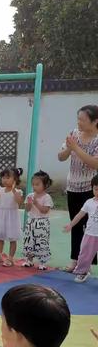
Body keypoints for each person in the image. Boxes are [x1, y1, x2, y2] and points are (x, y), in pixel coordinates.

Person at [58, 105, 98, 272]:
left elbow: (94, 163)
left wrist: (76, 148)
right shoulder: (74, 134)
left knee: (92, 226)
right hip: (73, 186)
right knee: (76, 225)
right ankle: (75, 260)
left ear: (95, 121)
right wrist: (69, 147)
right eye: (78, 119)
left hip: (91, 189)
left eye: (82, 119)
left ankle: (87, 262)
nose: (79, 122)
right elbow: (60, 157)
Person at [64, 174, 98, 283]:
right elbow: (79, 215)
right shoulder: (89, 202)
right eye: (96, 189)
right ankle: (83, 272)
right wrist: (71, 225)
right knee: (84, 254)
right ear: (92, 188)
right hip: (90, 234)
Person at [0, 168, 24, 267]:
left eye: (8, 177)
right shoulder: (0, 190)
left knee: (12, 238)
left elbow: (19, 202)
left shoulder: (18, 191)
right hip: (1, 216)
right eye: (3, 177)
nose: (4, 180)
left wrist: (13, 191)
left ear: (15, 179)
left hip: (12, 218)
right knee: (0, 237)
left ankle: (10, 258)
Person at [22, 171, 54, 270]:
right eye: (33, 184)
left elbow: (44, 210)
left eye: (37, 184)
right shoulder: (30, 195)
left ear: (45, 185)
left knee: (41, 242)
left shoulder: (47, 197)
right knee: (29, 241)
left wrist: (35, 203)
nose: (34, 186)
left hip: (42, 223)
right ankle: (29, 260)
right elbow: (27, 209)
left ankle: (42, 262)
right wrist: (30, 203)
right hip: (31, 221)